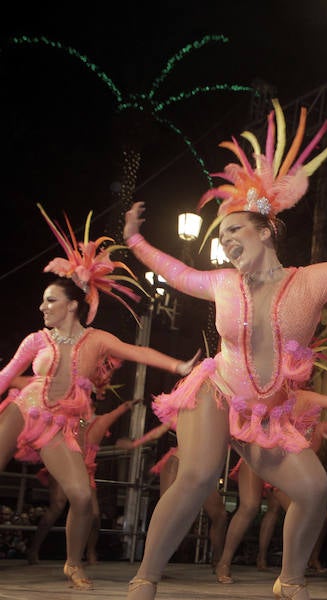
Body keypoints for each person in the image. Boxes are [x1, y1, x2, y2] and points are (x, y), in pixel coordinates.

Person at [123, 99, 327, 600]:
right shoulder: (222, 283)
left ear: (267, 230)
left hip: (266, 414)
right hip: (216, 390)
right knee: (199, 473)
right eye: (222, 234)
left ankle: (290, 581)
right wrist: (136, 242)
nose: (227, 241)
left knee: (315, 489)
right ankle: (145, 579)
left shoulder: (310, 282)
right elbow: (177, 273)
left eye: (234, 230)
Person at [0, 207, 198, 591]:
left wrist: (178, 367)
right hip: (25, 409)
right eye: (43, 301)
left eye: (50, 301)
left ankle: (72, 563)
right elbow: (7, 376)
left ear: (72, 304)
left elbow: (137, 352)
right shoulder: (35, 340)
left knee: (80, 496)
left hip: (58, 424)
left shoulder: (97, 341)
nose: (42, 307)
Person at [215, 413, 327, 583]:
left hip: (284, 468)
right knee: (250, 506)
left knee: (302, 511)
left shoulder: (318, 426)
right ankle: (224, 563)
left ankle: (293, 567)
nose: (309, 387)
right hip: (260, 452)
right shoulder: (287, 404)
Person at [28, 399, 137, 565]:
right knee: (57, 506)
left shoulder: (99, 422)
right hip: (64, 465)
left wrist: (127, 406)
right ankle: (34, 549)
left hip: (86, 472)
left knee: (94, 514)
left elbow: (116, 412)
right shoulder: (69, 419)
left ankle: (89, 552)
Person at [117, 421, 229, 568]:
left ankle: (218, 561)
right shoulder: (187, 408)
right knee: (166, 514)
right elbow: (158, 432)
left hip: (201, 468)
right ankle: (150, 563)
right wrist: (135, 444)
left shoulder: (224, 412)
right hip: (178, 462)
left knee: (220, 515)